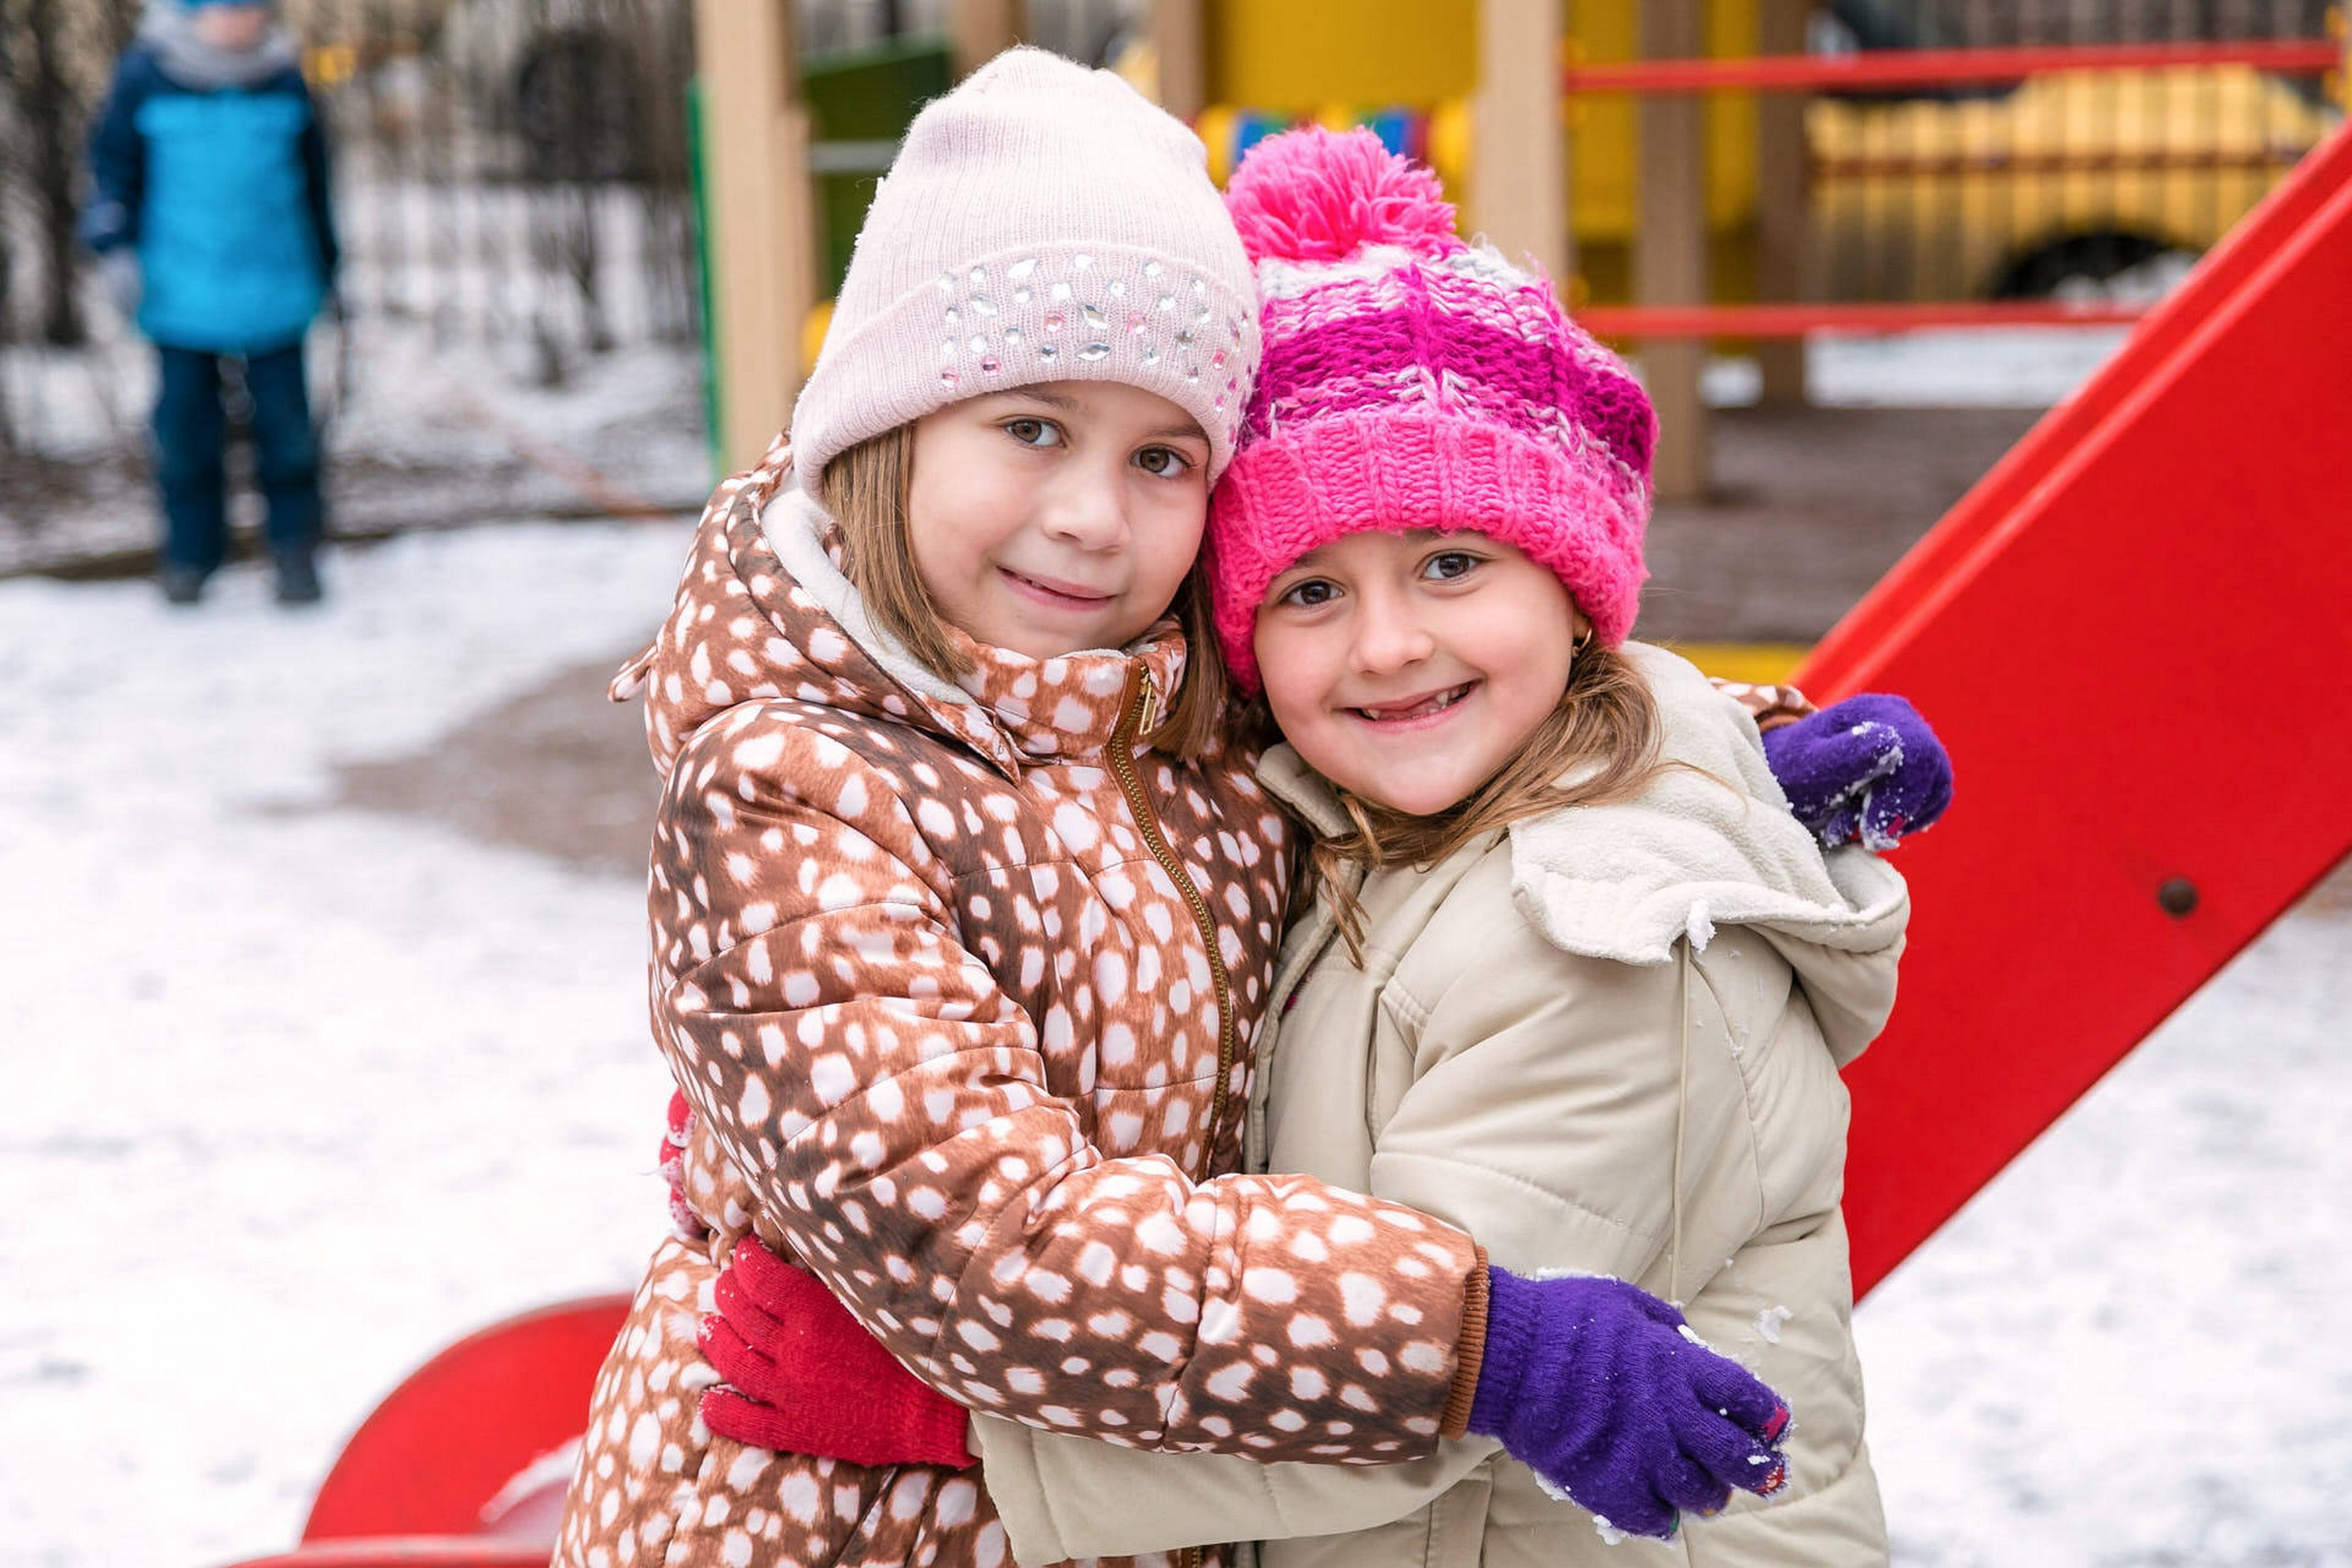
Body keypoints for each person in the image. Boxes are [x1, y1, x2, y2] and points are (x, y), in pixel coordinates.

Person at [564, 60, 1947, 1568]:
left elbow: (1414, 711)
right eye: (1031, 426)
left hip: (1142, 1492)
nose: (1095, 513)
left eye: (1161, 457)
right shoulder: (793, 792)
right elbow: (982, 1231)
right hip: (844, 1518)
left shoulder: (1163, 716)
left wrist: (1737, 768)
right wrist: (1470, 1340)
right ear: (887, 428)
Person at [82, 0, 338, 605]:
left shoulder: (283, 75)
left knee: (289, 432)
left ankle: (294, 549)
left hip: (275, 286)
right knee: (185, 432)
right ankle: (191, 554)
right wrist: (113, 245)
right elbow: (109, 169)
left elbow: (317, 181)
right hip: (179, 290)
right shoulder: (145, 74)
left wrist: (330, 266)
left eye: (252, 7)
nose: (241, 20)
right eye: (226, 7)